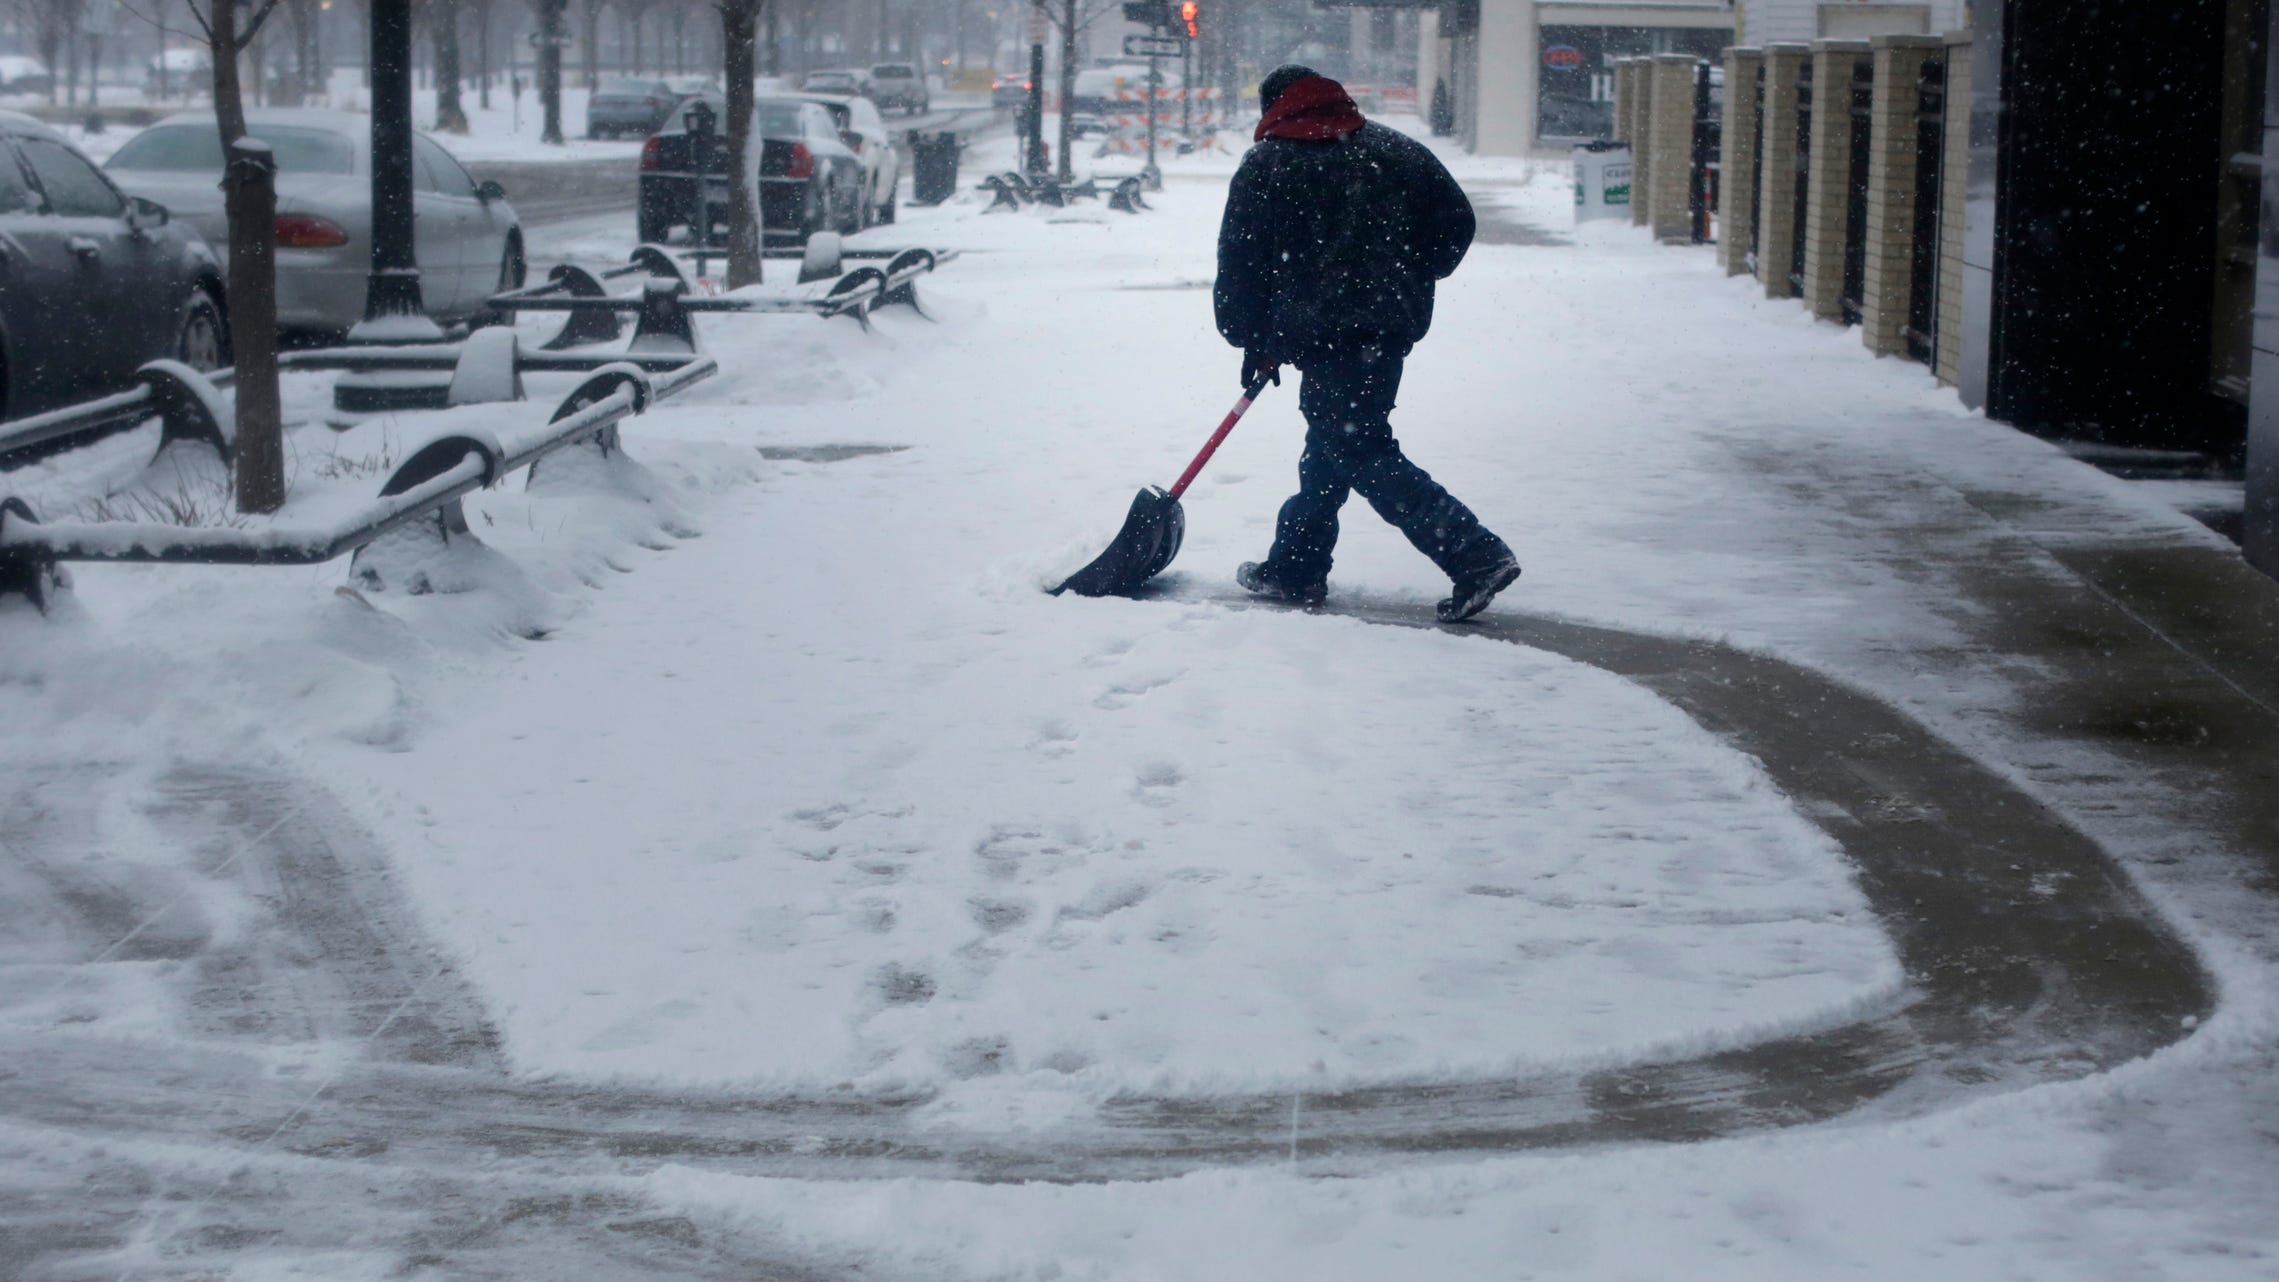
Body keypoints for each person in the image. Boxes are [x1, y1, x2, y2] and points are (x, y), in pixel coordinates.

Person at [1214, 65, 1521, 622]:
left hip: (1318, 334)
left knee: (1357, 446)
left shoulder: (1269, 164)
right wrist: (1403, 276)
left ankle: (1474, 554)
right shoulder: (1394, 150)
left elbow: (1241, 266)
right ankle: (1294, 567)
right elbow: (1456, 221)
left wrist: (1250, 335)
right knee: (1335, 442)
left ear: (1275, 108)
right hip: (1384, 331)